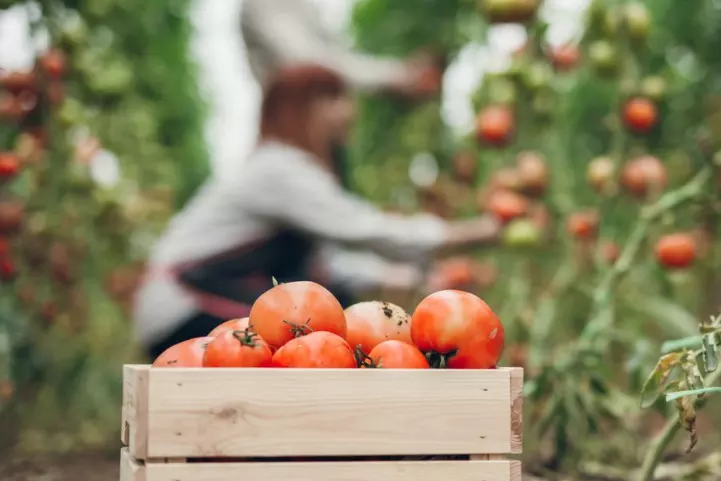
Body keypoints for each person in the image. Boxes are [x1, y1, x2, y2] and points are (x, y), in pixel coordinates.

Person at [132, 65, 500, 361]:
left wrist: (403, 277)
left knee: (321, 334)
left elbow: (326, 269)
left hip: (193, 302)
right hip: (185, 309)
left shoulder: (284, 170)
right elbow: (362, 228)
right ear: (303, 108)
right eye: (334, 98)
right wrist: (470, 232)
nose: (349, 111)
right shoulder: (280, 169)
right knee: (323, 347)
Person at [239, 0, 440, 97]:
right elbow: (310, 66)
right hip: (292, 135)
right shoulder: (261, 5)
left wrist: (400, 74)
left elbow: (334, 58)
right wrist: (397, 75)